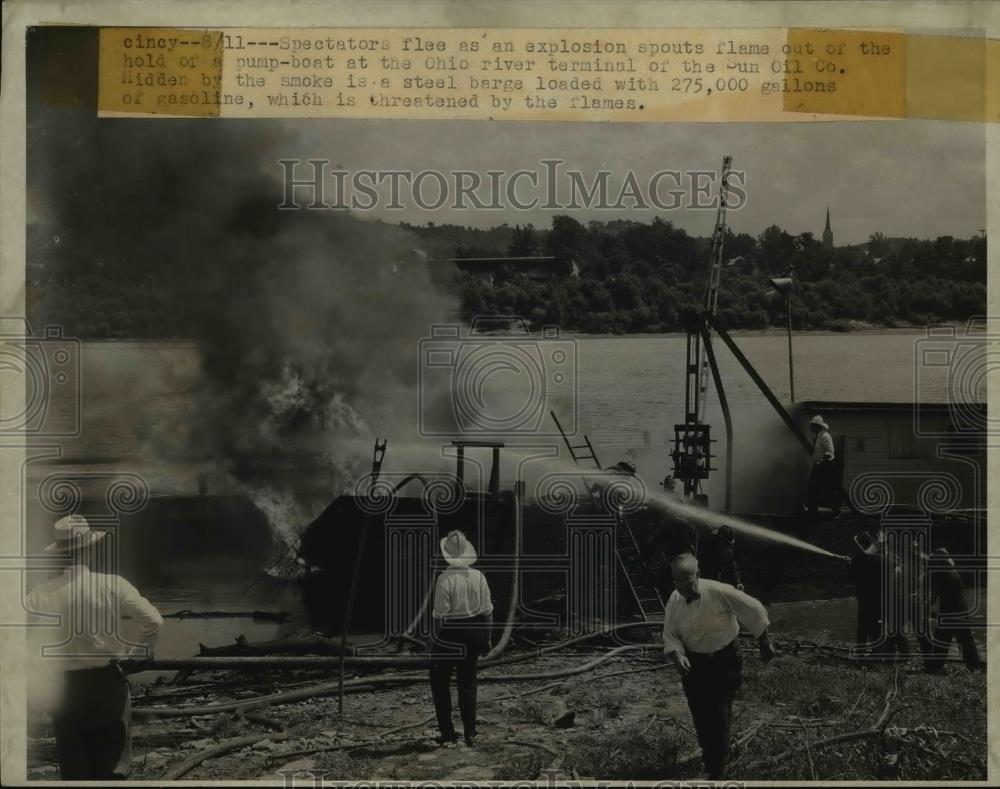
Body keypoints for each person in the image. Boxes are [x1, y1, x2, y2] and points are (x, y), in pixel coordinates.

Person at [25, 514, 162, 780]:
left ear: (60, 553)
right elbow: (154, 620)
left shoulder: (39, 595)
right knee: (113, 763)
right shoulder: (113, 584)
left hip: (65, 686)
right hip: (106, 682)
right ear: (90, 548)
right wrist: (138, 654)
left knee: (74, 763)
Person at [661, 553, 777, 779]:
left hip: (725, 660)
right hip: (695, 664)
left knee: (718, 712)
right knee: (700, 712)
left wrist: (764, 643)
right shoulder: (674, 600)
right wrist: (678, 656)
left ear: (698, 575)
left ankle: (717, 769)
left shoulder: (719, 591)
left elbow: (754, 609)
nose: (681, 586)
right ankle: (712, 754)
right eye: (676, 580)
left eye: (686, 579)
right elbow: (670, 634)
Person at [428, 530, 494, 747]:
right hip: (475, 632)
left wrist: (434, 642)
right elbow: (487, 611)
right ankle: (470, 733)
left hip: (451, 633)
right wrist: (487, 638)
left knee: (439, 682)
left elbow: (439, 616)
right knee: (467, 683)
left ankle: (447, 732)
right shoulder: (479, 576)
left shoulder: (444, 579)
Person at [925, 547, 983, 673]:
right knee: (966, 641)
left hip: (948, 612)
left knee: (941, 639)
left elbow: (934, 596)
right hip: (962, 609)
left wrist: (924, 606)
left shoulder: (938, 574)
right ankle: (975, 667)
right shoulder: (953, 571)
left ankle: (935, 667)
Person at [806, 415, 840, 516]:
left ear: (817, 426)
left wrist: (821, 462)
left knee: (827, 488)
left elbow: (830, 452)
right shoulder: (818, 436)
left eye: (813, 425)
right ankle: (813, 509)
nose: (811, 427)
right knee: (814, 487)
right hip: (820, 465)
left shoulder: (825, 436)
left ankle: (835, 510)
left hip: (826, 466)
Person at [697, 524, 743, 590]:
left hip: (720, 581)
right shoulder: (707, 550)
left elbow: (733, 567)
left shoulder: (727, 552)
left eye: (727, 545)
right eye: (725, 544)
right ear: (719, 541)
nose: (727, 547)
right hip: (706, 581)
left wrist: (738, 582)